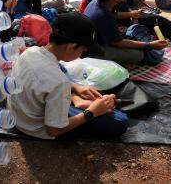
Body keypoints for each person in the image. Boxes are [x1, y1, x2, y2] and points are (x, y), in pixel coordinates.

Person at [8, 12, 128, 140]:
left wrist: (75, 87)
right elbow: (54, 130)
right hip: (36, 128)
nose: (82, 54)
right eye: (82, 50)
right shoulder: (59, 82)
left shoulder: (31, 51)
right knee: (120, 121)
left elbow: (44, 81)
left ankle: (76, 99)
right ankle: (76, 102)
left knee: (60, 68)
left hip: (20, 117)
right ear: (71, 47)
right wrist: (91, 112)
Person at [84, 0, 168, 65]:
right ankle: (111, 63)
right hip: (94, 52)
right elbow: (118, 43)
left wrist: (131, 14)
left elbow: (114, 15)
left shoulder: (98, 2)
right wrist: (150, 45)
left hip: (99, 41)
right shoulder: (104, 16)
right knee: (138, 54)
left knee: (132, 33)